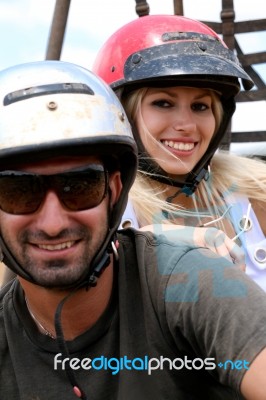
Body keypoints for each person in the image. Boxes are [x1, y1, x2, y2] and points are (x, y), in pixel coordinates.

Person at [2, 60, 266, 400]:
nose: (53, 223)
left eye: (81, 186)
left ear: (113, 191)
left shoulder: (189, 276)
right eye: (18, 191)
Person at [93, 14, 266, 291]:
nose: (186, 125)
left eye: (200, 107)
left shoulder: (254, 196)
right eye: (163, 103)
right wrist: (154, 243)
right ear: (121, 112)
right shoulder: (99, 205)